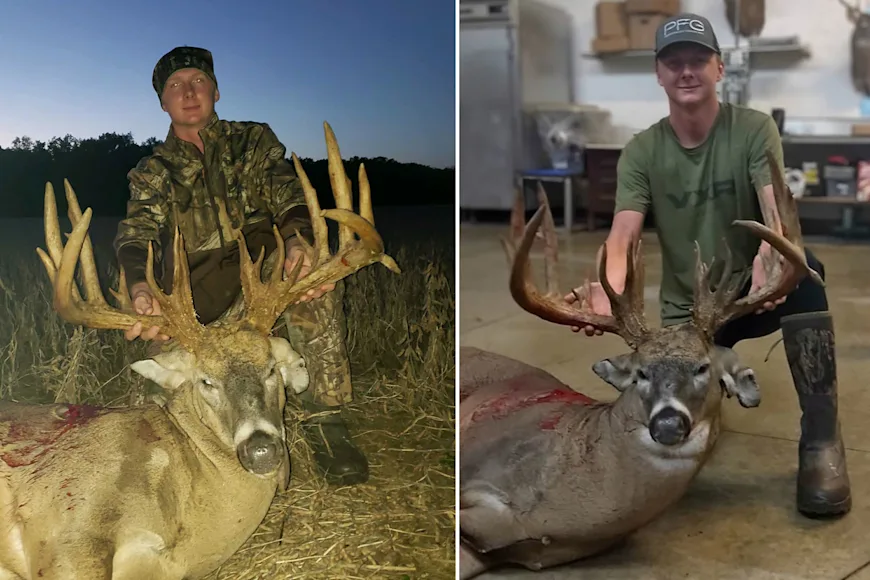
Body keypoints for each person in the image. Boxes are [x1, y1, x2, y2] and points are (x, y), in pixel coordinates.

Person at [566, 14, 851, 518]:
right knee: (675, 439)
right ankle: (705, 399)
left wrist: (773, 256)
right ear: (659, 74)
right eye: (673, 62)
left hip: (752, 289)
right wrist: (606, 291)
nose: (687, 71)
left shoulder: (753, 129)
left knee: (807, 275)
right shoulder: (642, 150)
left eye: (698, 60)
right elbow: (623, 235)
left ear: (719, 67)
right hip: (689, 319)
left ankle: (821, 443)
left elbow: (774, 209)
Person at [113, 45, 369, 487]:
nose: (188, 92)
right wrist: (141, 288)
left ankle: (325, 421)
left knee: (316, 284)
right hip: (198, 312)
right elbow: (135, 236)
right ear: (163, 102)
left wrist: (297, 242)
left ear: (215, 91)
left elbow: (288, 196)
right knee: (156, 398)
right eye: (176, 86)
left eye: (198, 82)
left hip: (265, 293)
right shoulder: (151, 171)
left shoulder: (253, 141)